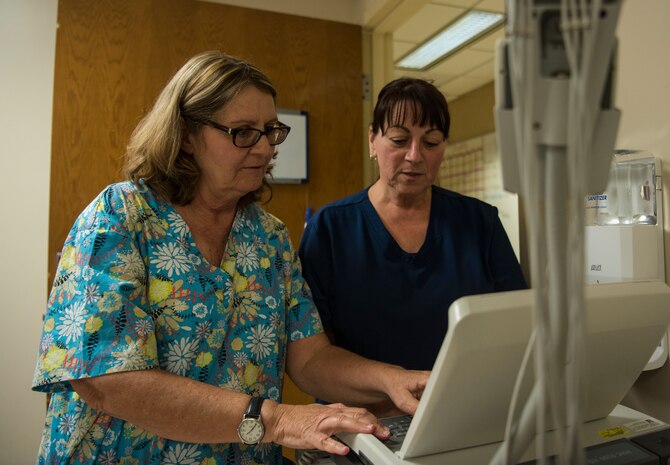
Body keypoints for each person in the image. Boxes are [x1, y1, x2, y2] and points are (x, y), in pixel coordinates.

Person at [31, 52, 429, 465]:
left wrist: (392, 379)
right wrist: (275, 419)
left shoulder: (268, 236)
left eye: (270, 131)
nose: (263, 148)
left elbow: (310, 356)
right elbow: (107, 382)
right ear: (186, 134)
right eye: (242, 132)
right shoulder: (120, 217)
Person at [298, 77, 527, 412]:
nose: (415, 155)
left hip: (460, 411)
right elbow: (311, 359)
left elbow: (516, 325)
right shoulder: (330, 229)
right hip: (364, 423)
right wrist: (389, 384)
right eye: (399, 139)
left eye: (431, 142)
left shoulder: (479, 224)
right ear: (372, 140)